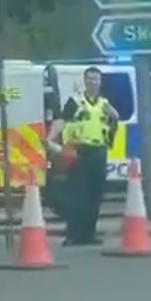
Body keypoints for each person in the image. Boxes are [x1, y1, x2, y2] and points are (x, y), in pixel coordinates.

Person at [47, 66, 119, 247]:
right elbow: (61, 121)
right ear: (85, 82)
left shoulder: (104, 103)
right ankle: (73, 235)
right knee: (78, 196)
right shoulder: (76, 101)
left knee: (95, 196)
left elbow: (113, 122)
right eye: (90, 79)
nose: (93, 83)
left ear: (100, 82)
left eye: (96, 79)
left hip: (99, 151)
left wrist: (115, 119)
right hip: (80, 152)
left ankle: (89, 234)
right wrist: (49, 138)